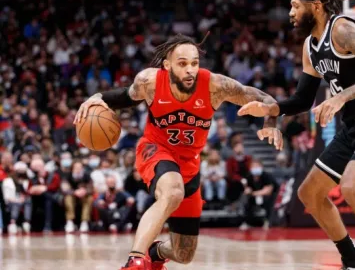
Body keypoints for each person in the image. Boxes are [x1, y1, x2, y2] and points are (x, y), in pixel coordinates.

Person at [74, 34, 283, 270]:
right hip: (156, 149)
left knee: (184, 253)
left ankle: (155, 252)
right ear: (167, 65)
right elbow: (126, 96)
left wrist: (271, 122)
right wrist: (98, 97)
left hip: (190, 164)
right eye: (182, 63)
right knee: (173, 192)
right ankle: (135, 260)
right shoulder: (150, 81)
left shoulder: (215, 86)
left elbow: (265, 99)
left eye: (194, 63)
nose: (190, 70)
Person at [238, 0, 355, 269]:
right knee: (309, 194)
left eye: (296, 5)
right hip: (353, 125)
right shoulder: (310, 46)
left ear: (316, 5)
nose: (290, 12)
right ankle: (354, 262)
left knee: (352, 186)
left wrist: (340, 98)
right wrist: (271, 110)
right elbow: (303, 100)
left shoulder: (342, 29)